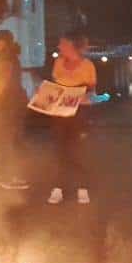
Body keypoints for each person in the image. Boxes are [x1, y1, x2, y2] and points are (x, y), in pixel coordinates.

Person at [48, 30, 97, 205]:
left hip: (80, 113)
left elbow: (92, 90)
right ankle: (58, 188)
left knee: (77, 151)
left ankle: (82, 188)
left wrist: (83, 96)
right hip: (60, 112)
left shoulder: (87, 65)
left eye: (62, 43)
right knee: (60, 151)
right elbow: (55, 86)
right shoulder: (58, 63)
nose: (59, 46)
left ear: (71, 45)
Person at [0, 29, 29, 189]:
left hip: (9, 104)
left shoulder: (6, 57)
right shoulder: (5, 56)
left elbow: (2, 81)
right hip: (10, 104)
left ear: (2, 42)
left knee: (9, 139)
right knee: (5, 139)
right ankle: (1, 174)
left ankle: (16, 176)